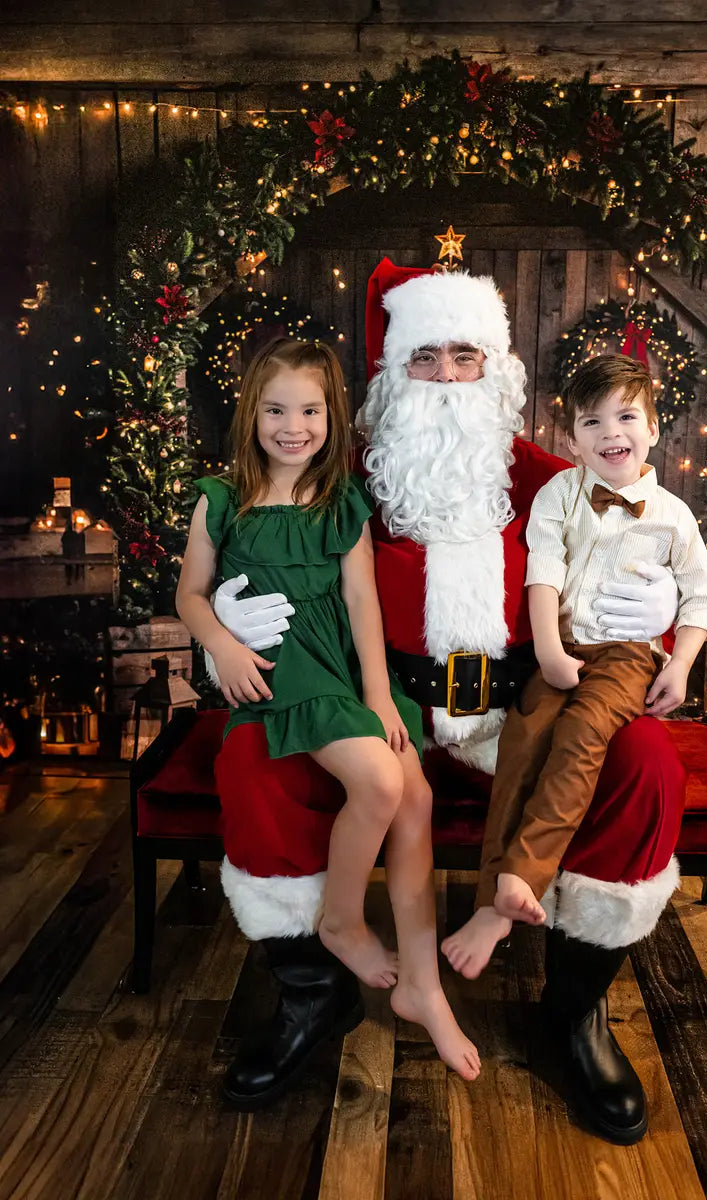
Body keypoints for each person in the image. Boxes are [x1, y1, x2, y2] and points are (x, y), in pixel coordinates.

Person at [210, 261, 686, 1145]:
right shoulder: (330, 476)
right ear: (389, 372)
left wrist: (658, 602)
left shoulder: (556, 478)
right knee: (252, 755)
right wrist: (227, 617)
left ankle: (573, 1014)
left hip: (516, 709)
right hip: (378, 703)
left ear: (496, 369)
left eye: (465, 356)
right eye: (422, 357)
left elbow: (641, 538)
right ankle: (312, 999)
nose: (445, 377)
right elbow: (260, 539)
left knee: (646, 764)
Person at [177, 337, 481, 1098]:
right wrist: (221, 640)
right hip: (282, 669)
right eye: (276, 409)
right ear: (252, 413)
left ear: (331, 416)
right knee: (379, 784)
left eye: (309, 410)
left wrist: (379, 696)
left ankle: (422, 987)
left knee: (415, 797)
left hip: (342, 670)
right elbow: (189, 593)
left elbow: (360, 602)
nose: (293, 426)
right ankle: (341, 921)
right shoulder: (221, 497)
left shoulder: (341, 501)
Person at [441, 354, 707, 980]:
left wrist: (678, 663)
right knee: (524, 738)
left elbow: (704, 597)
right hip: (560, 647)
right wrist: (547, 651)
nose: (611, 434)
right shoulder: (558, 494)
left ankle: (522, 881)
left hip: (627, 654)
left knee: (580, 738)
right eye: (592, 423)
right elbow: (543, 575)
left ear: (653, 427)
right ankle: (493, 902)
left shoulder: (673, 515)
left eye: (626, 417)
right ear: (570, 439)